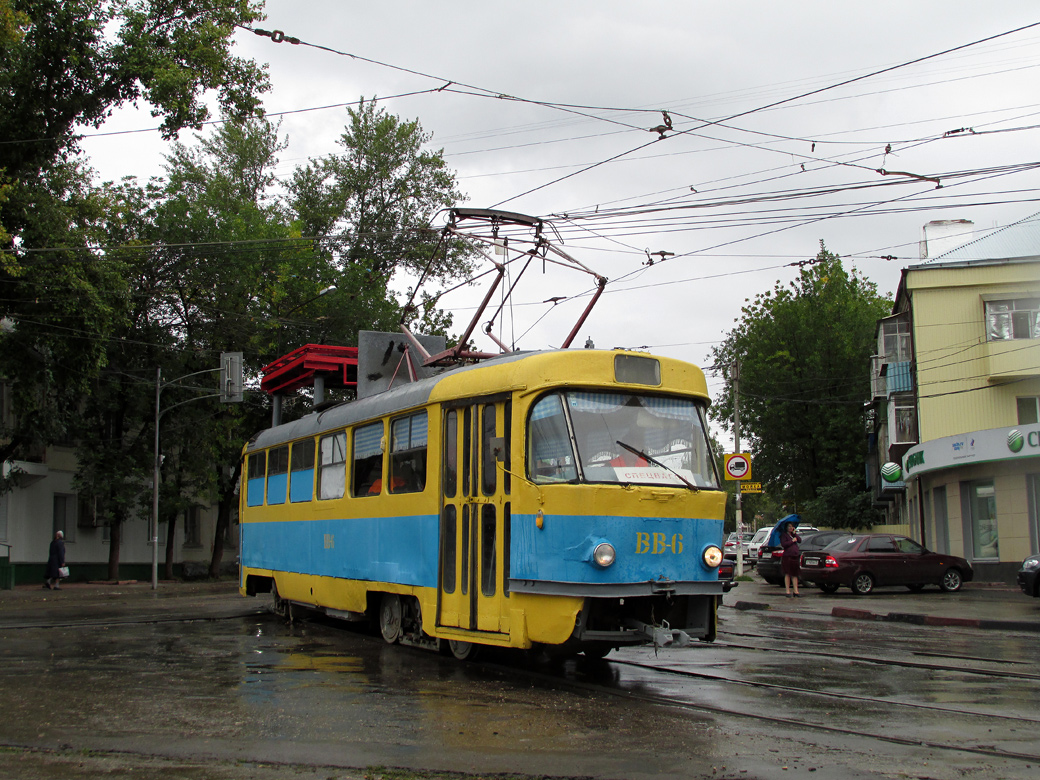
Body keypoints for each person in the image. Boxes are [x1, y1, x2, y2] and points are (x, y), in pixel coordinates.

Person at [780, 521, 802, 597]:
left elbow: (799, 540)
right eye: (789, 526)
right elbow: (784, 544)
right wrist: (791, 541)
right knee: (788, 573)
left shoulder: (793, 535)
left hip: (795, 556)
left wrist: (795, 534)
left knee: (795, 574)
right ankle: (787, 591)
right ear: (786, 527)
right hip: (787, 556)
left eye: (792, 526)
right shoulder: (784, 535)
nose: (790, 528)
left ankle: (796, 591)